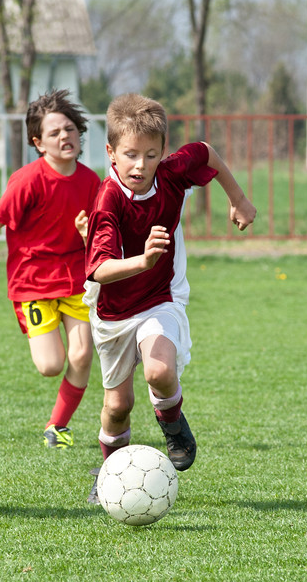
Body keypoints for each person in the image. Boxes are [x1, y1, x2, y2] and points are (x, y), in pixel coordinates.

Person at [84, 93, 257, 499]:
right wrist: (143, 261)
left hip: (162, 297)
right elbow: (98, 269)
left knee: (160, 371)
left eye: (149, 154)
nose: (139, 165)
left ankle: (173, 424)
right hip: (112, 313)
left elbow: (208, 154)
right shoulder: (107, 200)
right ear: (111, 153)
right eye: (129, 154)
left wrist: (239, 199)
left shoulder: (173, 172)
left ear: (163, 152)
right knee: (117, 407)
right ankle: (110, 474)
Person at [0, 89, 100, 449]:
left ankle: (58, 427)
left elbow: (98, 236)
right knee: (51, 365)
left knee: (81, 355)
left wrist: (87, 237)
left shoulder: (91, 181)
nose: (65, 136)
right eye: (54, 133)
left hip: (75, 279)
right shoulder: (27, 180)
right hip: (33, 282)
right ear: (38, 143)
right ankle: (57, 417)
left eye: (69, 129)